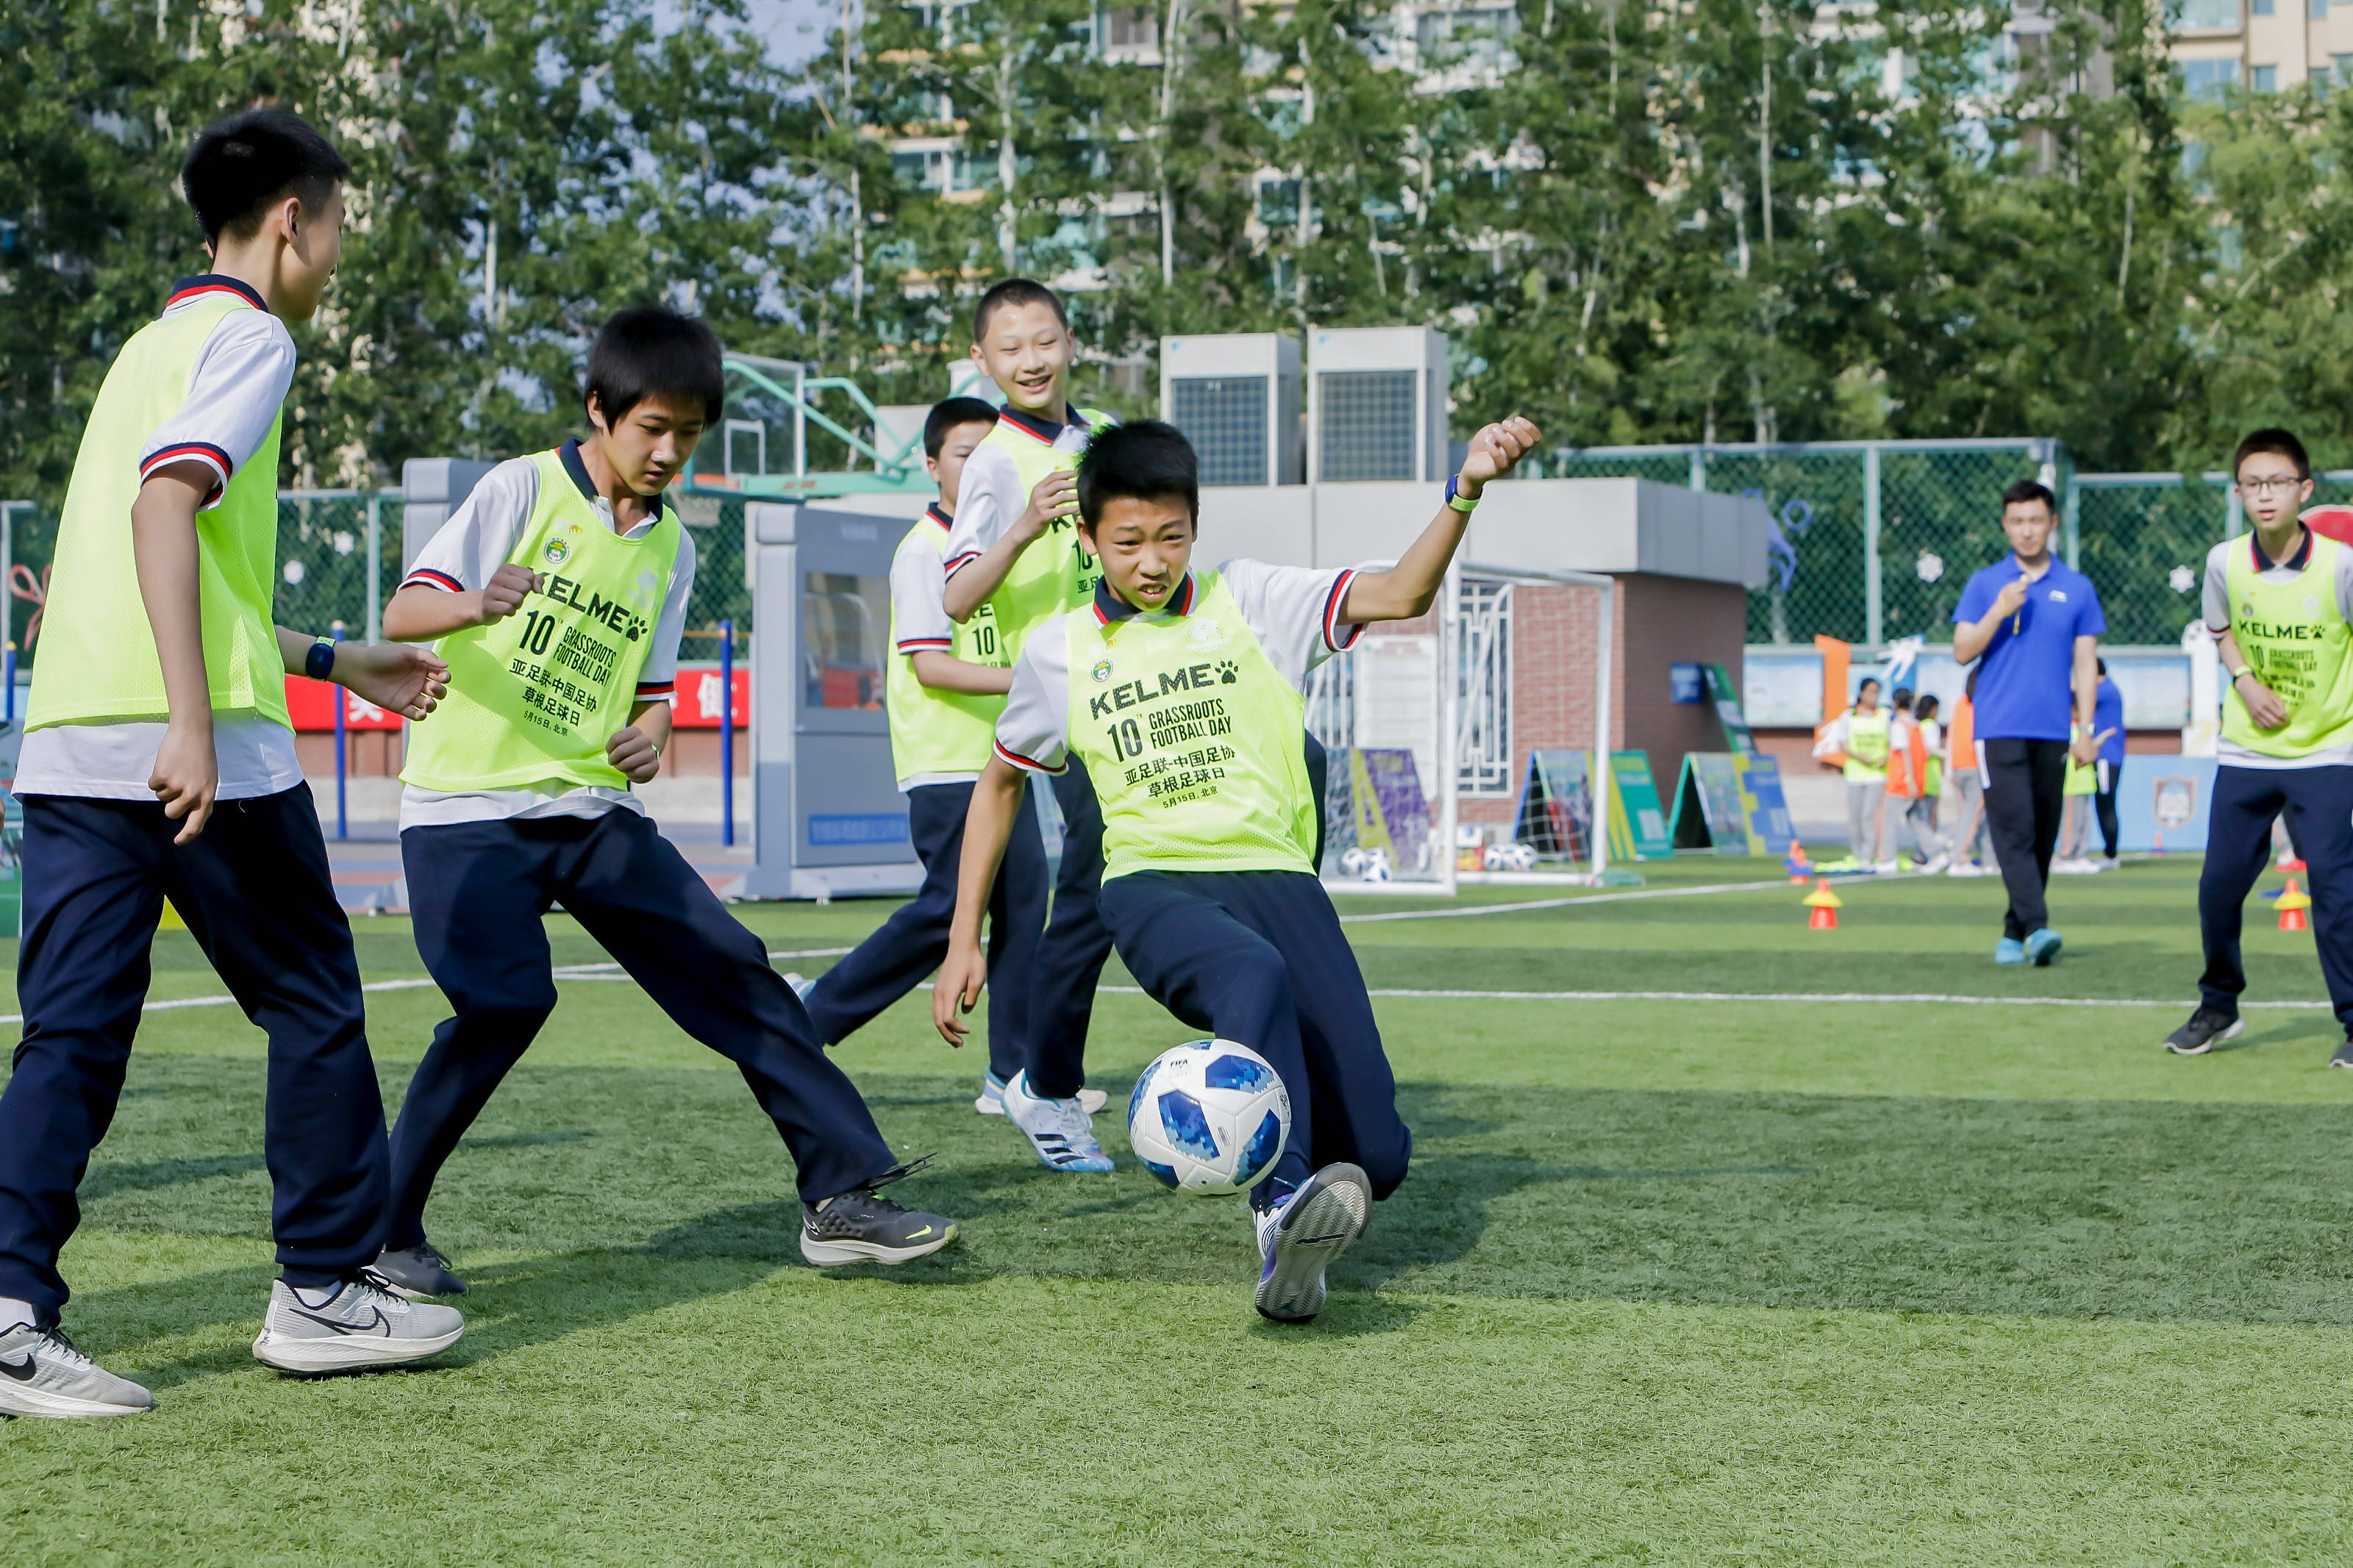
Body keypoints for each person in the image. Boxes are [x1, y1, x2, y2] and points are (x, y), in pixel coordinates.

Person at [0, 110, 467, 1420]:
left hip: (75, 730)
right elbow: (169, 504)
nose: (334, 255)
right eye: (336, 229)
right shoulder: (253, 337)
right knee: (315, 1000)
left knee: (72, 1037)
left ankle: (7, 1309)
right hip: (193, 747)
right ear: (290, 223)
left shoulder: (151, 344)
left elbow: (184, 561)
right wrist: (195, 721)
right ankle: (320, 1290)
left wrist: (339, 657)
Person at [368, 306, 957, 1299]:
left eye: (688, 433)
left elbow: (649, 695)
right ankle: (380, 1231)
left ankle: (842, 1196)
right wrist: (475, 602)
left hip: (595, 810)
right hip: (467, 806)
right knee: (505, 1002)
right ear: (598, 410)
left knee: (737, 968)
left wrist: (650, 741)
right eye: (652, 427)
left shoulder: (672, 548)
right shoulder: (518, 488)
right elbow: (402, 613)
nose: (669, 451)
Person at [932, 414, 1541, 1322]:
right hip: (1152, 886)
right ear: (1089, 538)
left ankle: (1310, 1186)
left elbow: (1404, 592)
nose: (1151, 561)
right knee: (1249, 976)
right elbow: (997, 788)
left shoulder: (1252, 599)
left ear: (1194, 529)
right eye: (1129, 542)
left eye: (1171, 537)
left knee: (1378, 1157)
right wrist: (961, 939)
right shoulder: (1057, 651)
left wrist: (1465, 489)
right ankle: (1278, 1213)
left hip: (1280, 882)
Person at [788, 398, 1081, 1117]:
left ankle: (1010, 1077)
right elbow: (931, 668)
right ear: (931, 466)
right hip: (947, 762)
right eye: (962, 455)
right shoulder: (924, 549)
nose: (979, 467)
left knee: (1019, 909)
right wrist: (1036, 680)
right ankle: (810, 1019)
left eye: (990, 455)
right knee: (949, 912)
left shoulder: (1000, 552)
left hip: (1000, 762)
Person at [938, 279, 1124, 1173]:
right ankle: (1039, 1082)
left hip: (1131, 686)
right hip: (1063, 699)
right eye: (1009, 349)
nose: (1030, 360)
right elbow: (957, 592)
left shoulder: (1105, 441)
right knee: (1091, 885)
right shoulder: (992, 462)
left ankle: (1039, 1075)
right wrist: (1021, 527)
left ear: (1070, 341)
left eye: (1042, 340)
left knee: (1107, 885)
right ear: (983, 362)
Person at [2164, 429, 2353, 1064]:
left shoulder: (2342, 564)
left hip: (2327, 750)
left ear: (2305, 489)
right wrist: (2244, 682)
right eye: (2252, 483)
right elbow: (2220, 632)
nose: (2264, 494)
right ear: (2239, 492)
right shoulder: (2224, 562)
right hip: (2247, 752)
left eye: (2277, 482)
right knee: (2218, 886)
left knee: (2332, 886)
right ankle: (2219, 1005)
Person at [1951, 479, 2104, 964]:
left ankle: (2013, 931)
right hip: (1996, 725)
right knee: (2013, 827)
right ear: (2005, 525)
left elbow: (2085, 664)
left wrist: (2084, 728)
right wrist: (1999, 609)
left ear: (2052, 523)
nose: (2027, 530)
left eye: (2036, 520)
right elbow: (1961, 651)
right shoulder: (1984, 583)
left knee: (2042, 831)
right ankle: (2038, 927)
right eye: (2017, 521)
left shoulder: (2077, 588)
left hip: (2053, 727)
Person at [1810, 677, 1890, 872]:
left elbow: (1892, 742)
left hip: (1877, 774)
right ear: (1861, 694)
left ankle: (1868, 856)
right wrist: (1860, 757)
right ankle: (1857, 854)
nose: (1874, 696)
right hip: (1855, 774)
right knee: (1855, 817)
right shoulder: (1849, 716)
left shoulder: (1885, 715)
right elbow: (1843, 743)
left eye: (1876, 692)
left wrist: (1883, 759)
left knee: (1868, 815)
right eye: (1870, 692)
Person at [1943, 667, 1994, 876]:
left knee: (1976, 814)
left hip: (1959, 767)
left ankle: (1988, 858)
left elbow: (1952, 736)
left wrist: (1950, 769)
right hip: (1976, 766)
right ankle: (1959, 858)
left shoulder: (1960, 704)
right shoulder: (1983, 705)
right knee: (1972, 815)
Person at [1905, 692, 1951, 873]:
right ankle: (1927, 854)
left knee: (1920, 817)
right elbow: (1930, 751)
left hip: (1918, 775)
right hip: (1929, 775)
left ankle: (1922, 853)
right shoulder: (1930, 726)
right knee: (1927, 817)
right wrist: (1947, 755)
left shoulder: (1916, 726)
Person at [2092, 659, 2125, 870]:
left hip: (2106, 756)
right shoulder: (2109, 690)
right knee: (2104, 804)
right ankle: (2110, 852)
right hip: (2107, 756)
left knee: (2105, 804)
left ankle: (2111, 854)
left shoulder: (2104, 690)